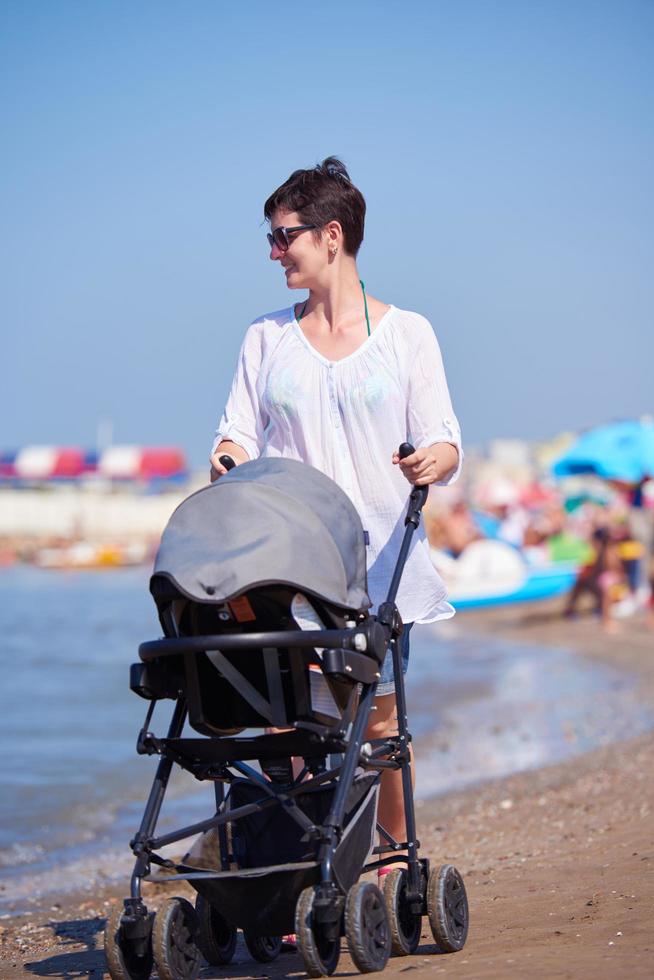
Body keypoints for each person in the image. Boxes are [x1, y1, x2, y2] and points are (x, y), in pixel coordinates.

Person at [210, 156, 462, 876]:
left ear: (330, 235)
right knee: (290, 721)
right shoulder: (265, 337)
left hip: (380, 562)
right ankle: (302, 866)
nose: (272, 250)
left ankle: (390, 864)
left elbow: (444, 437)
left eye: (282, 234)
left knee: (377, 723)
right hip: (285, 559)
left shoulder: (408, 333)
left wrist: (431, 463)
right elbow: (235, 431)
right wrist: (227, 459)